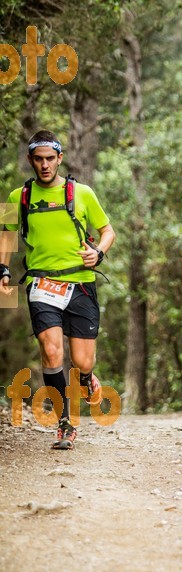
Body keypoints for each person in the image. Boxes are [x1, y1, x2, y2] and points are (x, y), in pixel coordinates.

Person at [0, 129, 115, 449]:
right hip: (41, 282)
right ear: (30, 161)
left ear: (60, 158)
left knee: (83, 360)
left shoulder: (83, 193)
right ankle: (64, 421)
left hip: (81, 283)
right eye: (38, 159)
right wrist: (3, 269)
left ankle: (85, 378)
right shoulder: (16, 197)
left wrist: (99, 253)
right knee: (51, 351)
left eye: (51, 159)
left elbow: (108, 231)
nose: (45, 165)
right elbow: (5, 234)